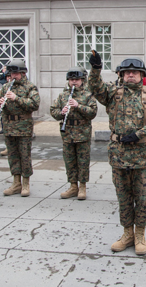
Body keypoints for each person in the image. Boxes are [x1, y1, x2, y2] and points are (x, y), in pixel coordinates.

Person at [88, 54, 146, 256]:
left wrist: (140, 134)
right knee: (123, 198)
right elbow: (95, 87)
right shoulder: (112, 93)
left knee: (142, 198)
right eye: (127, 72)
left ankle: (140, 235)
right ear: (122, 75)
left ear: (141, 75)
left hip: (142, 158)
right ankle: (127, 234)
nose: (130, 75)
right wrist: (96, 68)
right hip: (119, 157)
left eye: (134, 72)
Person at [0, 59, 40, 197]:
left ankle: (25, 183)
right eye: (12, 73)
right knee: (12, 156)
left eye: (16, 73)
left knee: (24, 156)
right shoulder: (6, 86)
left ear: (23, 73)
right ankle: (16, 182)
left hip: (23, 127)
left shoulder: (30, 87)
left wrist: (16, 98)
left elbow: (34, 104)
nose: (13, 76)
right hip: (9, 126)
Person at [50, 66, 98, 200]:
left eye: (77, 79)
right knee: (69, 161)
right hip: (68, 133)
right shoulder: (63, 95)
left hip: (82, 133)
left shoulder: (88, 95)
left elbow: (93, 112)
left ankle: (82, 186)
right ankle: (73, 186)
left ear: (82, 80)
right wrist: (61, 113)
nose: (74, 82)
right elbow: (53, 110)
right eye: (71, 80)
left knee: (82, 161)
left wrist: (78, 106)